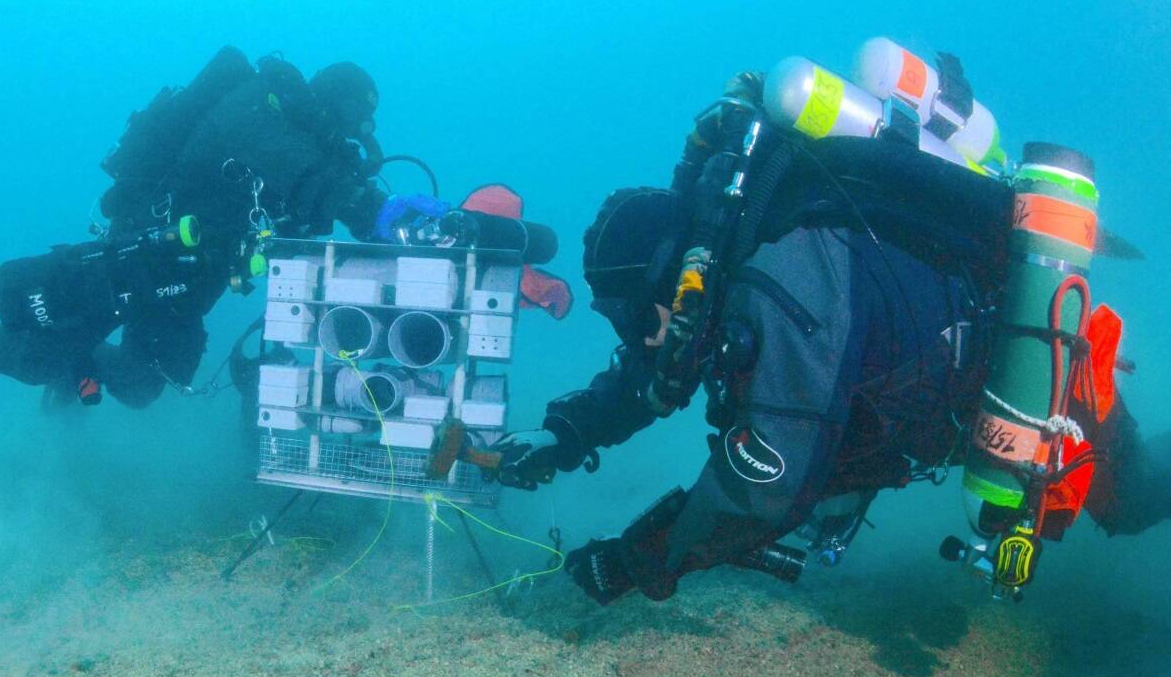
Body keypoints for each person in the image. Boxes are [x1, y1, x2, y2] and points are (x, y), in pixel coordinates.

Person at [486, 71, 1168, 605]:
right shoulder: (741, 264)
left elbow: (764, 491)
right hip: (960, 386)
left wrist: (636, 561)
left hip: (1046, 379)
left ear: (668, 280)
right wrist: (566, 434)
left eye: (634, 317)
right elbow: (655, 373)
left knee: (1129, 497)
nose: (639, 339)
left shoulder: (783, 281)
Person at [0, 47, 388, 426]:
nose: (357, 133)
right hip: (145, 250)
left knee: (142, 384)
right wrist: (370, 206)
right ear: (334, 105)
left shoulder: (300, 151)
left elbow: (310, 206)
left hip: (193, 276)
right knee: (45, 354)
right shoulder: (259, 105)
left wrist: (364, 212)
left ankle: (70, 376)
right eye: (356, 120)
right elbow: (308, 176)